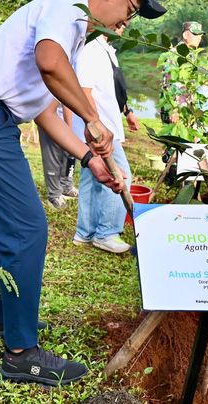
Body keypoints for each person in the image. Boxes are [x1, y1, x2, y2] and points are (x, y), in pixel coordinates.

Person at [0, 0, 165, 386]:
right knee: (26, 229)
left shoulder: (69, 33)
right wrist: (93, 119)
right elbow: (49, 64)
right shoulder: (66, 9)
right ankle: (21, 355)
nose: (126, 23)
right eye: (131, 11)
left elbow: (43, 109)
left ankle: (0, 322)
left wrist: (90, 158)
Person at [72, 25, 133, 254]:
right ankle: (106, 232)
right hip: (101, 130)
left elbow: (112, 90)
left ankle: (84, 232)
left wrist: (128, 112)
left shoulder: (105, 48)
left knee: (90, 179)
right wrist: (95, 127)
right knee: (119, 176)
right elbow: (85, 91)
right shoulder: (91, 49)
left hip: (105, 126)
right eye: (119, 19)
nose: (123, 24)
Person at [158, 21, 204, 124]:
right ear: (185, 35)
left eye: (200, 35)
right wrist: (173, 109)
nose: (199, 37)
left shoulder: (192, 56)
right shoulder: (175, 54)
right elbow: (168, 83)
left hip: (187, 108)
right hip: (176, 109)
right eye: (195, 34)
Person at [39, 102, 78, 208]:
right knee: (52, 157)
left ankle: (66, 186)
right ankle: (54, 195)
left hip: (70, 120)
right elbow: (67, 101)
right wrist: (69, 128)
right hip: (52, 119)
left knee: (70, 155)